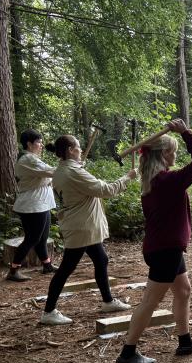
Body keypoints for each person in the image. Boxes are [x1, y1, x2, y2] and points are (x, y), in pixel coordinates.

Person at [116, 119, 192, 363]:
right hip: (164, 251)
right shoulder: (167, 182)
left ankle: (185, 341)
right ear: (165, 154)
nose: (175, 157)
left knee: (183, 290)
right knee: (150, 300)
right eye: (173, 152)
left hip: (166, 248)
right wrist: (186, 133)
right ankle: (128, 352)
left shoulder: (154, 182)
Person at [39, 134, 136, 326]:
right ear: (70, 150)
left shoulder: (62, 170)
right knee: (66, 268)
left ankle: (107, 301)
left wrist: (79, 168)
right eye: (78, 147)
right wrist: (128, 177)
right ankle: (48, 311)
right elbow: (106, 190)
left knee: (101, 259)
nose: (81, 149)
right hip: (81, 227)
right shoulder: (73, 172)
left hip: (81, 225)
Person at [7, 129, 57, 282]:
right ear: (29, 144)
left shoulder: (33, 158)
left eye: (41, 142)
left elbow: (49, 174)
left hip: (42, 203)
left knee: (42, 238)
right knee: (32, 239)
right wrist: (71, 165)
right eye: (38, 142)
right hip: (33, 205)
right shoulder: (28, 159)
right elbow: (51, 172)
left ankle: (47, 265)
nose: (41, 145)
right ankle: (13, 271)